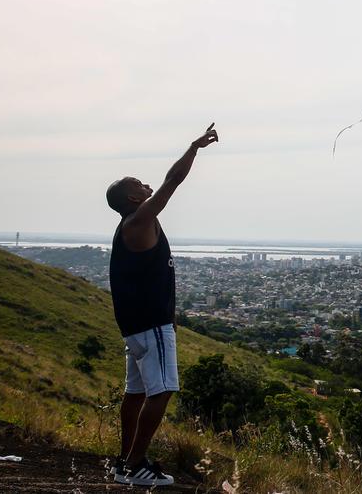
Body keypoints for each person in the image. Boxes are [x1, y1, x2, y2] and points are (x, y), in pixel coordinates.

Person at [104, 123, 219, 486]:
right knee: (163, 389)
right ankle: (136, 464)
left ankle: (124, 461)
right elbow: (172, 182)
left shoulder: (132, 224)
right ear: (134, 199)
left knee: (135, 393)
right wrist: (194, 148)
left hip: (134, 327)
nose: (145, 184)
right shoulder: (139, 221)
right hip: (151, 324)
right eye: (138, 184)